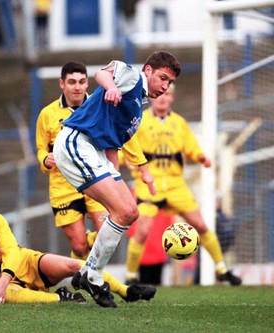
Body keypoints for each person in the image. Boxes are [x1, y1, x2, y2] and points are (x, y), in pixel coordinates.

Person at [53, 51, 181, 307]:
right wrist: (111, 87)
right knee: (123, 210)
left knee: (129, 211)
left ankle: (87, 274)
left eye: (169, 83)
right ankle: (93, 275)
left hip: (96, 152)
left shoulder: (136, 109)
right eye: (162, 78)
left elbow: (112, 145)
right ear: (148, 71)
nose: (165, 86)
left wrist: (114, 175)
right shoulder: (132, 77)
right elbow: (102, 73)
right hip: (76, 142)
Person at [0, 195, 156, 306]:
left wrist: (4, 279)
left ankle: (126, 291)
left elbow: (12, 252)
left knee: (73, 265)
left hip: (24, 263)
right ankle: (61, 297)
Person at [124, 84, 242, 286]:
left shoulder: (179, 123)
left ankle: (221, 268)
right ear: (152, 97)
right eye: (160, 94)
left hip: (176, 186)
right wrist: (123, 158)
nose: (163, 98)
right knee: (142, 230)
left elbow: (191, 148)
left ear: (172, 98)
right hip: (149, 186)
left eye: (167, 94)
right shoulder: (140, 121)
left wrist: (201, 157)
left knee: (201, 225)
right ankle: (131, 275)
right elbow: (125, 146)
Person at [36, 61, 107, 260]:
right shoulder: (47, 114)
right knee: (79, 246)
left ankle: (91, 277)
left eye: (82, 82)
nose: (77, 87)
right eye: (72, 82)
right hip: (63, 186)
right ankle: (84, 277)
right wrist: (45, 160)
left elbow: (115, 138)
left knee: (109, 234)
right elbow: (41, 149)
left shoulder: (98, 108)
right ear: (62, 84)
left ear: (87, 84)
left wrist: (139, 164)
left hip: (96, 179)